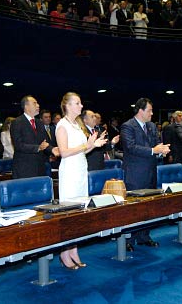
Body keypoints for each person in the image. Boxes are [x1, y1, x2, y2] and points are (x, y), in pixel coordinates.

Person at [56, 92, 107, 269]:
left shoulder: (77, 126)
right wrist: (86, 145)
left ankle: (74, 250)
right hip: (69, 173)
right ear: (68, 106)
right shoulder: (62, 126)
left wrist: (93, 144)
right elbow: (64, 152)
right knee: (69, 214)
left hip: (80, 171)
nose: (81, 106)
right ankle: (64, 252)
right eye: (77, 103)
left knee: (79, 214)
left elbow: (81, 151)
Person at [121, 98, 170, 251]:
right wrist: (153, 151)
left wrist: (161, 151)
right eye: (149, 110)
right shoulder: (127, 126)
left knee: (148, 206)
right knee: (133, 208)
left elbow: (156, 145)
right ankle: (128, 239)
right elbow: (130, 147)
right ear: (140, 111)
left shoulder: (151, 126)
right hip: (135, 173)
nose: (152, 113)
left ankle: (144, 236)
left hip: (150, 171)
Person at [10, 96, 59, 178]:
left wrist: (52, 149)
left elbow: (43, 142)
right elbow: (18, 145)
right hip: (24, 168)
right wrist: (38, 148)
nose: (38, 105)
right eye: (34, 103)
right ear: (26, 106)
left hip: (40, 167)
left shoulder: (39, 123)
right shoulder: (17, 122)